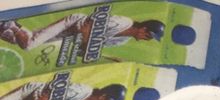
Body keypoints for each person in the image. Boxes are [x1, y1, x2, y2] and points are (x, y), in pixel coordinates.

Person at [0, 13, 164, 51]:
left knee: (18, 40)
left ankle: (5, 26)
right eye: (148, 35)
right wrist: (86, 42)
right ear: (144, 28)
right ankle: (11, 23)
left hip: (70, 34)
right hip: (73, 23)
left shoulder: (122, 40)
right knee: (29, 44)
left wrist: (86, 48)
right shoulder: (123, 22)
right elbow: (86, 25)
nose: (147, 38)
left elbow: (87, 47)